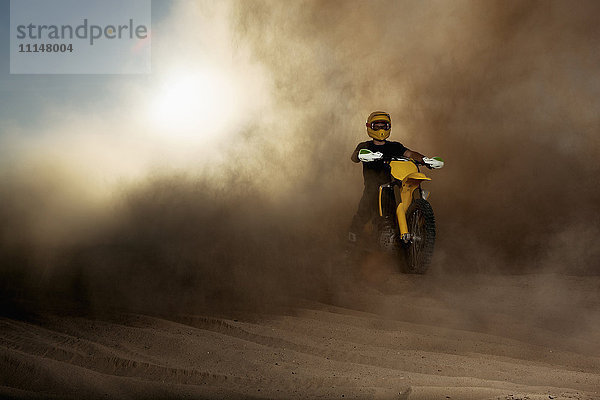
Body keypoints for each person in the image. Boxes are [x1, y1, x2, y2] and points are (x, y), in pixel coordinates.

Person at [348, 111, 425, 243]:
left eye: (383, 126)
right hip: (372, 189)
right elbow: (354, 156)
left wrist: (425, 159)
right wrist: (361, 155)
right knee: (363, 214)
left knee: (392, 217)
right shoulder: (365, 146)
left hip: (391, 188)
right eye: (376, 126)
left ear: (389, 127)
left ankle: (398, 244)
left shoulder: (394, 146)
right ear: (369, 127)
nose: (380, 129)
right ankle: (351, 243)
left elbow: (410, 153)